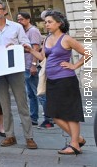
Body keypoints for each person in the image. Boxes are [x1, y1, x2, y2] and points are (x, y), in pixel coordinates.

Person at [23, 10, 90, 155]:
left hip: (66, 80)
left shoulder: (66, 39)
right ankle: (78, 139)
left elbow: (87, 53)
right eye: (45, 22)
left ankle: (74, 145)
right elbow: (42, 57)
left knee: (70, 113)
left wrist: (74, 65)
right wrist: (29, 50)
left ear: (59, 23)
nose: (46, 24)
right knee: (53, 114)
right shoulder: (46, 39)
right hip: (51, 81)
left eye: (49, 22)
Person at [0, 0, 37, 149]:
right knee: (4, 104)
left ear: (5, 10)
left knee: (22, 103)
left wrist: (16, 46)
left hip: (15, 69)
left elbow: (26, 45)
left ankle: (29, 137)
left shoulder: (16, 27)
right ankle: (10, 135)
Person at [17, 12, 53, 129]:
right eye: (18, 19)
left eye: (21, 19)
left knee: (40, 93)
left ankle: (49, 119)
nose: (19, 21)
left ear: (28, 19)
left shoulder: (33, 31)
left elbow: (36, 48)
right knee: (31, 94)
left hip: (31, 66)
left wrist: (33, 64)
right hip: (24, 67)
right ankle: (33, 118)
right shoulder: (23, 32)